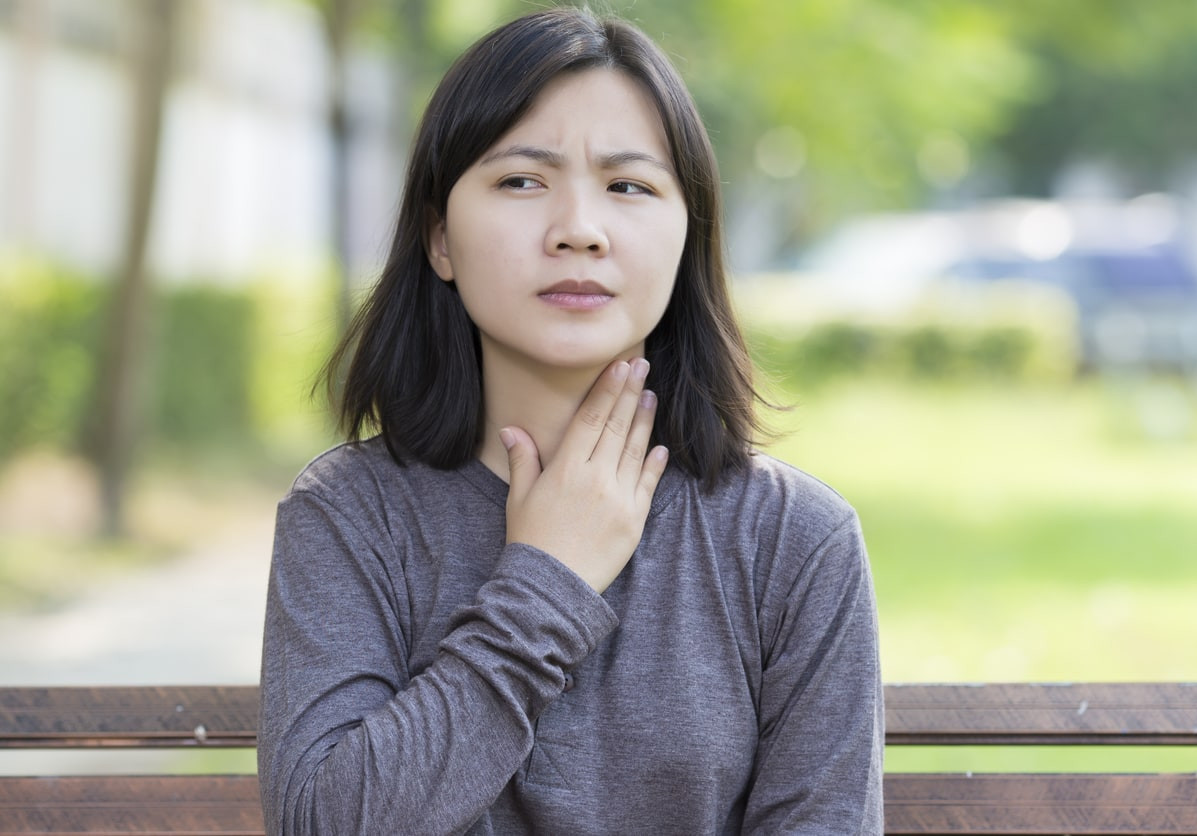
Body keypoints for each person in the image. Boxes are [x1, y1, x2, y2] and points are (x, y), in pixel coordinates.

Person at [258, 7, 882, 833]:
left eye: (629, 186)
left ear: (687, 236)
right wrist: (545, 581)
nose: (579, 231)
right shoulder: (348, 516)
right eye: (522, 180)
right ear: (440, 238)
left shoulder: (794, 542)